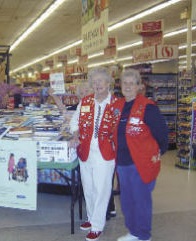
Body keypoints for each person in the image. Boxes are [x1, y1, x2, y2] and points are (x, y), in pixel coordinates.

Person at [113, 69, 168, 241]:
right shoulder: (117, 106)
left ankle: (144, 235)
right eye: (125, 82)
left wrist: (158, 152)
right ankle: (133, 232)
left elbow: (162, 133)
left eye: (132, 83)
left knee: (141, 200)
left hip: (140, 163)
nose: (128, 86)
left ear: (139, 86)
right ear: (120, 85)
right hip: (122, 163)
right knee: (127, 201)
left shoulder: (148, 107)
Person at [69, 67, 117, 241]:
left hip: (105, 154)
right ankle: (90, 217)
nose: (97, 85)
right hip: (86, 150)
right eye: (94, 82)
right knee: (88, 187)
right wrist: (76, 134)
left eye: (100, 81)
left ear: (108, 82)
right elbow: (74, 121)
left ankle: (97, 225)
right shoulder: (86, 102)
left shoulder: (116, 103)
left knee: (101, 189)